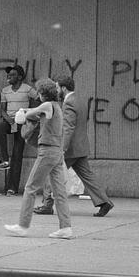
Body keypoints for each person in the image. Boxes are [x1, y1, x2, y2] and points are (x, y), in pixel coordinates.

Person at [34, 75, 114, 218]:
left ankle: (47, 205)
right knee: (88, 176)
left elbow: (68, 128)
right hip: (81, 146)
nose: (56, 90)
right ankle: (104, 201)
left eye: (57, 87)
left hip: (70, 149)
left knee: (50, 172)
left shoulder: (68, 103)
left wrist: (62, 149)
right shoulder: (80, 100)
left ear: (64, 88)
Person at [4, 78, 73, 239]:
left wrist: (23, 112)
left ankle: (22, 225)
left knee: (30, 188)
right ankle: (65, 227)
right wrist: (27, 110)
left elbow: (32, 112)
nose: (39, 95)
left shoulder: (47, 105)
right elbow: (36, 111)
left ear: (43, 93)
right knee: (59, 192)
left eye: (39, 92)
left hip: (47, 152)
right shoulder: (57, 107)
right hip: (56, 153)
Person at [0, 65, 38, 196]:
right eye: (8, 75)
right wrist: (11, 121)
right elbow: (2, 110)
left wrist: (30, 116)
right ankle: (3, 160)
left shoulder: (27, 89)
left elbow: (39, 99)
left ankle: (12, 188)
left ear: (20, 77)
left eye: (12, 74)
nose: (9, 77)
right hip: (10, 121)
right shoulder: (5, 91)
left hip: (23, 123)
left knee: (17, 154)